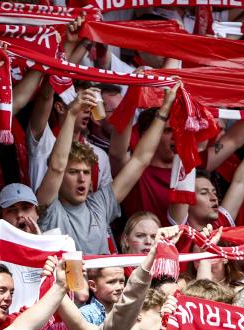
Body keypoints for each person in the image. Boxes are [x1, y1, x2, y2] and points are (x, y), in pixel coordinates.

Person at [36, 88, 175, 255]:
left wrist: (164, 110)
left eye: (86, 172)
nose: (82, 178)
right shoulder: (49, 208)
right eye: (73, 172)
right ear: (60, 179)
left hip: (107, 273)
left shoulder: (99, 204)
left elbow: (140, 160)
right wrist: (71, 114)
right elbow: (57, 166)